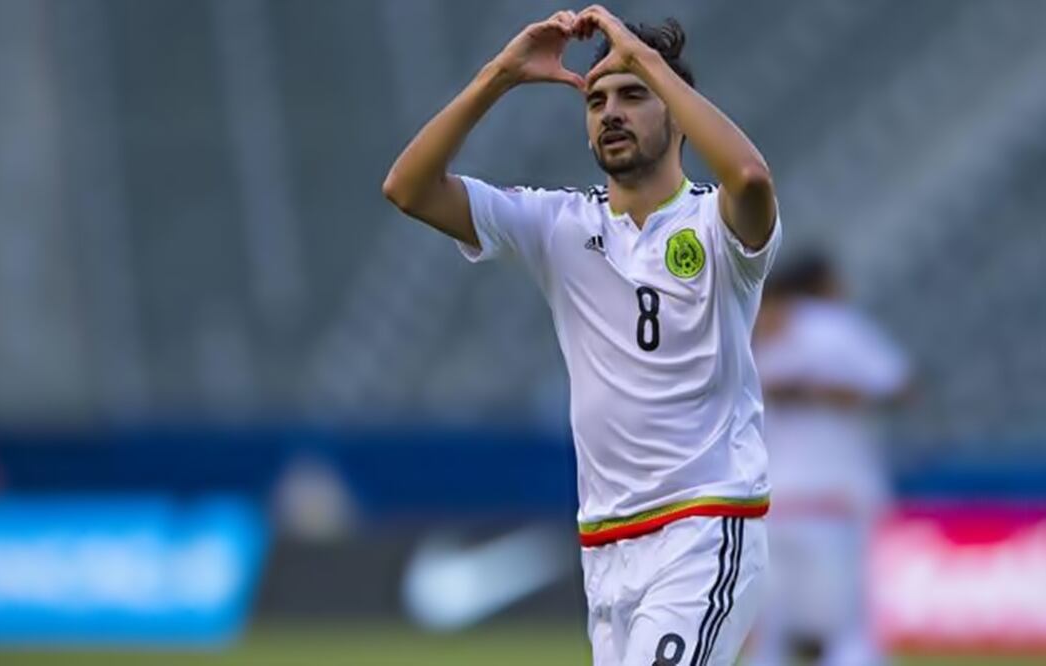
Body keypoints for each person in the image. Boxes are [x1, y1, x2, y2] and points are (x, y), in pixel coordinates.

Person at [383, 6, 781, 665]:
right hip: (606, 548)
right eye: (596, 101)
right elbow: (409, 187)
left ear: (679, 113)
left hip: (703, 528)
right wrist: (500, 75)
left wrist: (644, 56)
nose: (610, 113)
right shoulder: (558, 225)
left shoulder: (717, 225)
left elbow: (752, 177)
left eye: (633, 95)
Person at [749, 255, 911, 666]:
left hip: (774, 499)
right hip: (827, 497)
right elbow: (898, 384)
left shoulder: (743, 328)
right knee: (845, 630)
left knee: (775, 631)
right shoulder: (834, 327)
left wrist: (806, 392)